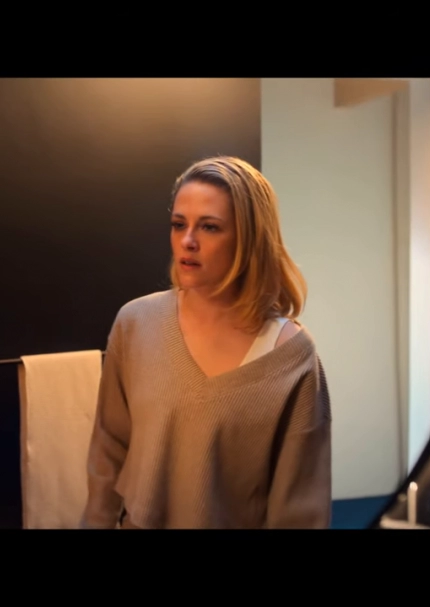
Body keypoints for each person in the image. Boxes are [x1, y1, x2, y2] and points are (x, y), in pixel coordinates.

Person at [79, 156, 332, 529]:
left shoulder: (291, 356)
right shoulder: (136, 322)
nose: (188, 241)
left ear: (249, 238)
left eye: (210, 227)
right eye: (179, 224)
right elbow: (109, 447)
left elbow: (299, 507)